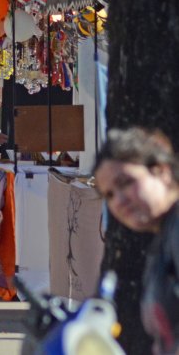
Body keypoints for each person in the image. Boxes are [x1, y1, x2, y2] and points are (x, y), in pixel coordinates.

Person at [94, 127, 179, 354]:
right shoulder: (164, 235)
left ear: (161, 171)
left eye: (125, 182)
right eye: (109, 194)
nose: (119, 201)